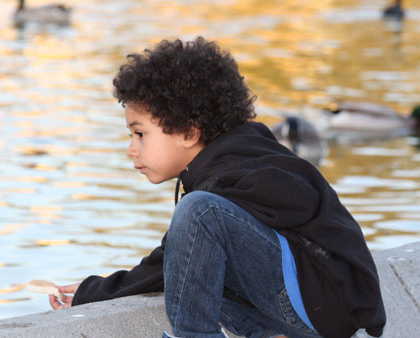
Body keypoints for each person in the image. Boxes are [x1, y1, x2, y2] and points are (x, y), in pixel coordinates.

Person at [49, 37, 386, 338]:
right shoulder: (224, 165)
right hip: (305, 310)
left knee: (199, 211)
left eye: (140, 134)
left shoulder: (246, 170)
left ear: (189, 133)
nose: (131, 149)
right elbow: (168, 264)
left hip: (322, 305)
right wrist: (92, 292)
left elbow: (307, 207)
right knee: (191, 265)